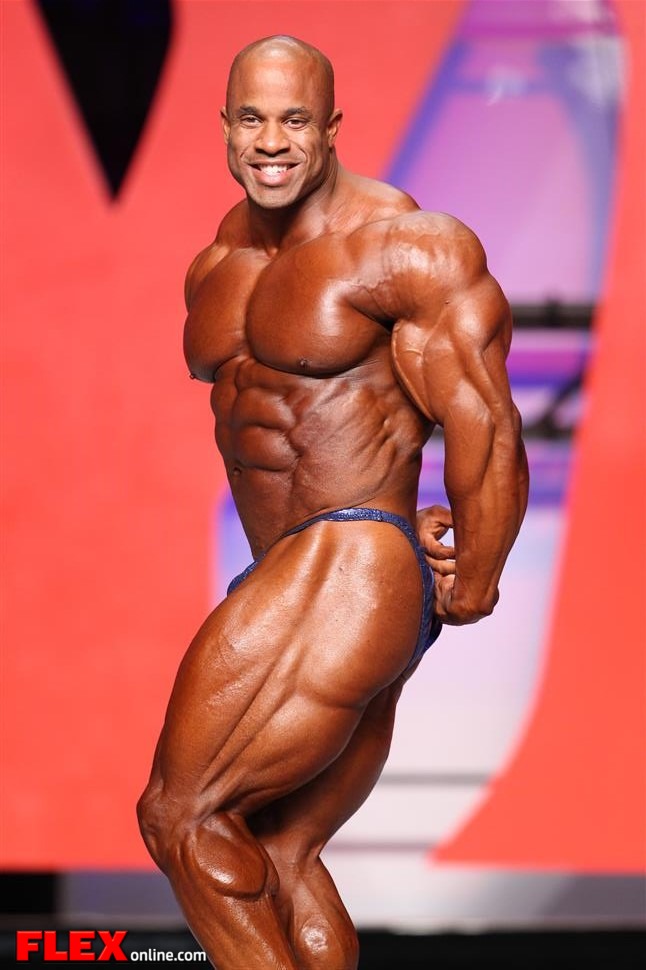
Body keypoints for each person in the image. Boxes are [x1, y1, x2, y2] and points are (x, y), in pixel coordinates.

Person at [137, 34, 529, 970]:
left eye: (294, 120)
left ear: (332, 127)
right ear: (226, 126)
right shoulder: (216, 261)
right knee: (278, 851)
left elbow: (485, 418)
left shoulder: (405, 246)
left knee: (182, 815)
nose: (271, 141)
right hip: (292, 569)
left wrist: (475, 574)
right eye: (252, 119)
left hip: (351, 559)